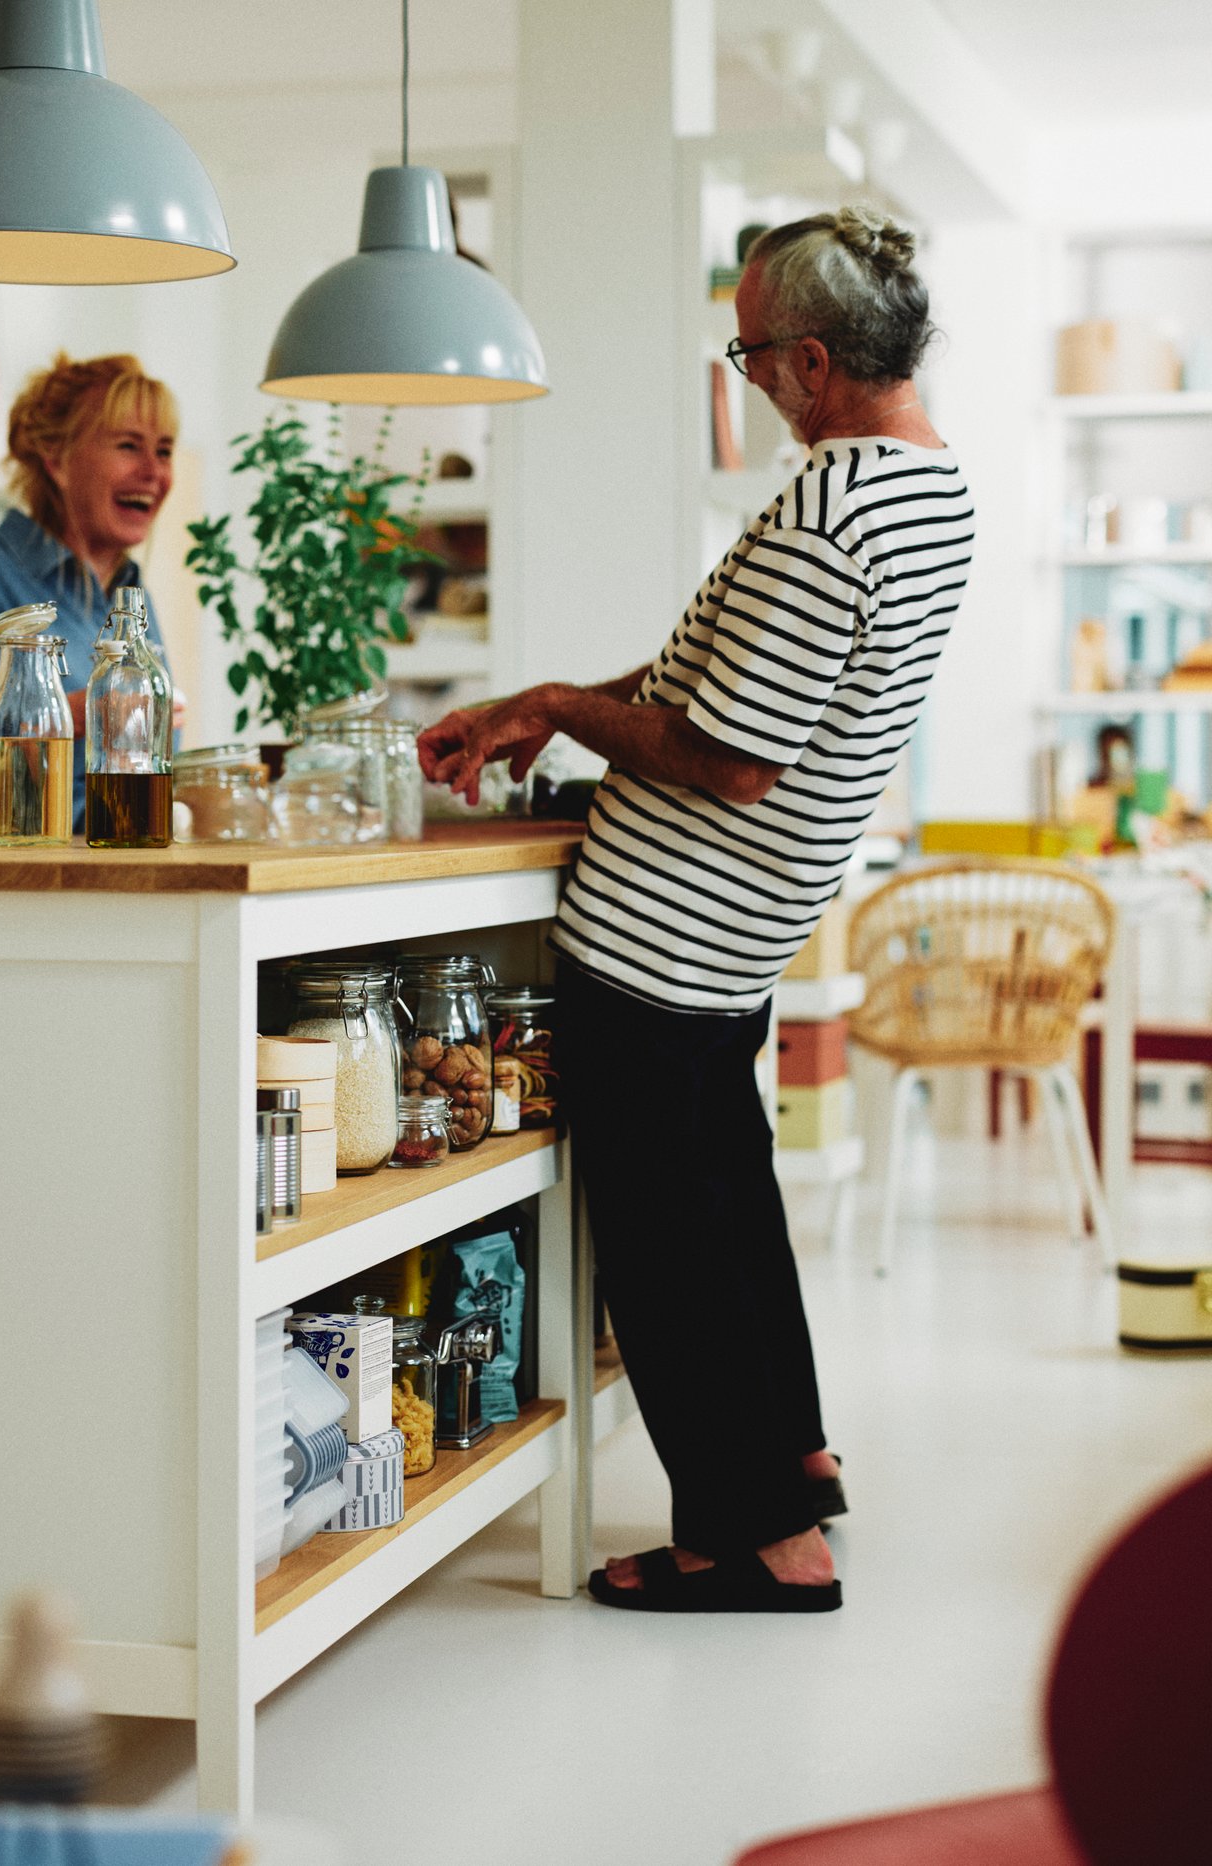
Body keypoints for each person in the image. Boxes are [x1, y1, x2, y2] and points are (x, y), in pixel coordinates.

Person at [418, 206, 974, 1612]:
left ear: (807, 358)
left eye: (744, 357)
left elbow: (731, 755)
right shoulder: (932, 488)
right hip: (736, 934)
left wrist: (554, 703)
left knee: (672, 1251)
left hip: (661, 931)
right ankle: (794, 1479)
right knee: (731, 1214)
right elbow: (719, 687)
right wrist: (550, 708)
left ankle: (752, 1543)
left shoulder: (831, 504)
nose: (747, 383)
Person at [0, 352, 180, 838]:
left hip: (106, 887)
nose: (154, 472)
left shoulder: (133, 601)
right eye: (129, 446)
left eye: (165, 450)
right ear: (57, 459)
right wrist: (70, 715)